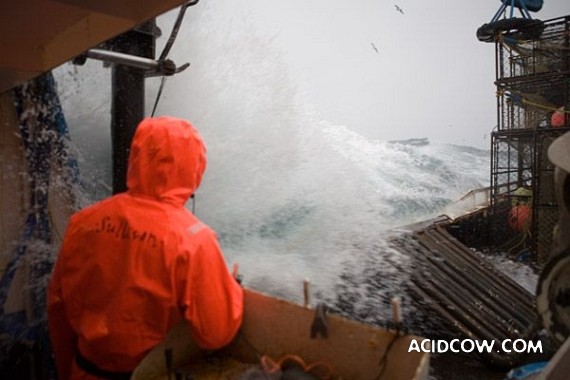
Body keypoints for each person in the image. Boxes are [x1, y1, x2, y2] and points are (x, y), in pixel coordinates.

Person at [47, 116, 243, 380]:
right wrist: (231, 287)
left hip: (82, 371)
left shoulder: (83, 222)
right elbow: (216, 333)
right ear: (194, 168)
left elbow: (58, 310)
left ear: (136, 156)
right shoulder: (194, 241)